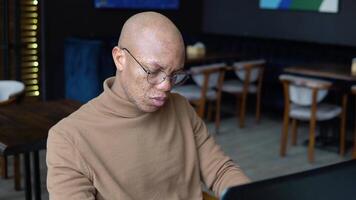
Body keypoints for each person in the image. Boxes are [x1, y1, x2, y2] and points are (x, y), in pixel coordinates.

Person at [46, 11, 250, 200]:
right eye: (153, 71)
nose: (166, 86)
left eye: (175, 74)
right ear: (120, 59)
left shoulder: (181, 108)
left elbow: (221, 171)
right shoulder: (68, 138)